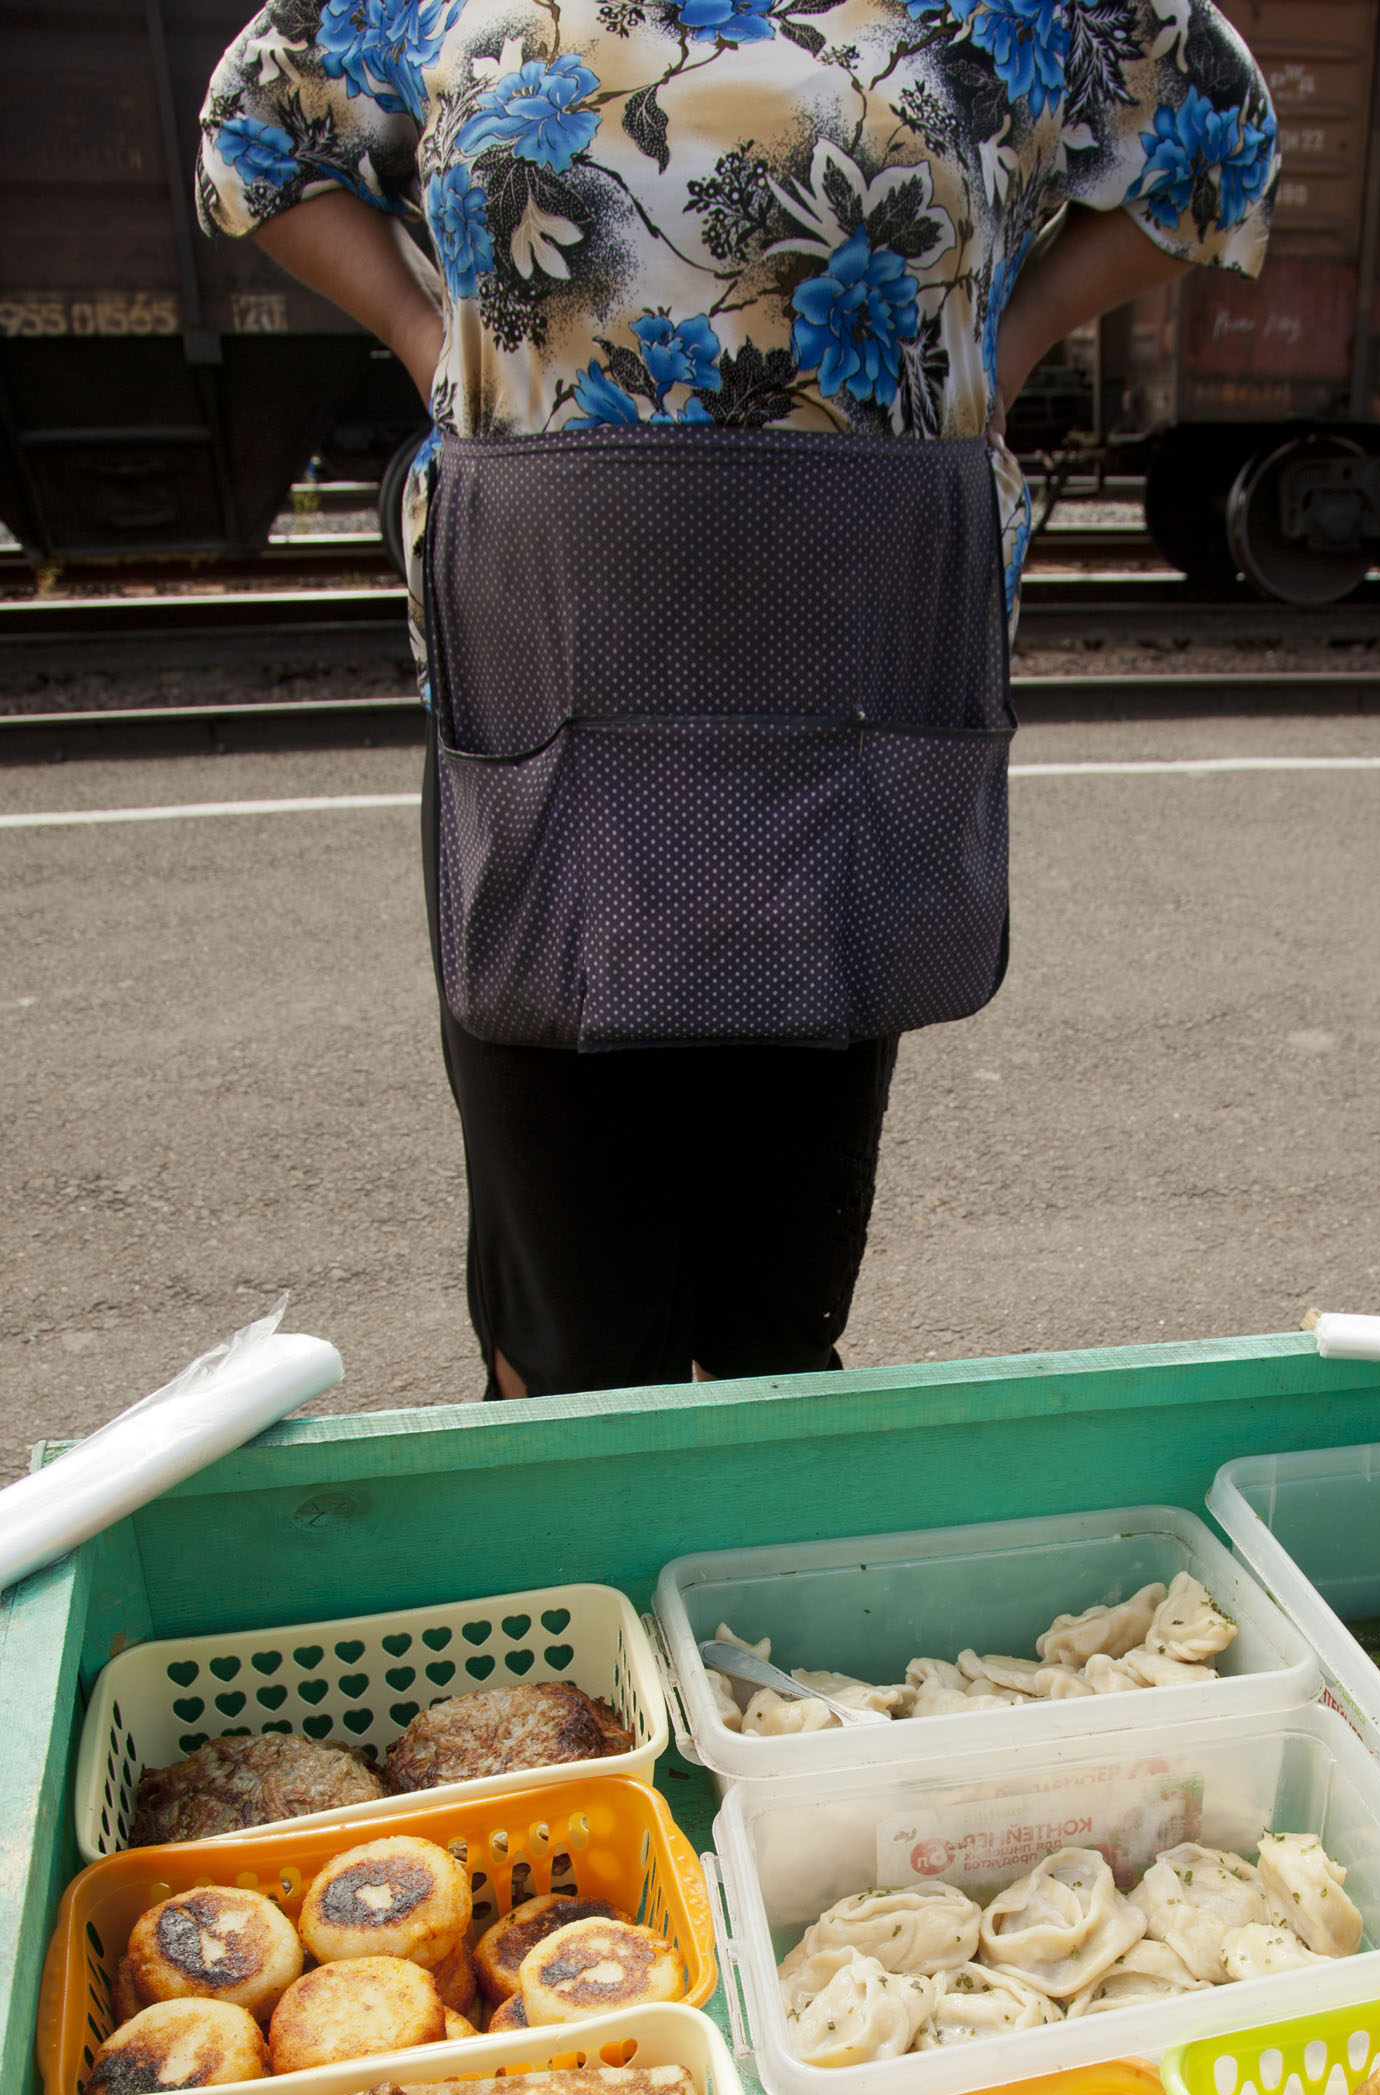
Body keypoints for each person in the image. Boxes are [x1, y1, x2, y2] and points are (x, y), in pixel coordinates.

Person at [196, 0, 1276, 1396]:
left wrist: (1007, 344)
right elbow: (255, 132)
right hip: (550, 655)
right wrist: (420, 330)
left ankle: (741, 1581)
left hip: (857, 656)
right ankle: (579, 1571)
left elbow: (1221, 143)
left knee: (780, 1291)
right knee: (572, 1298)